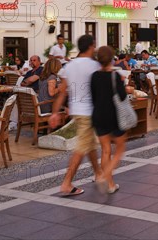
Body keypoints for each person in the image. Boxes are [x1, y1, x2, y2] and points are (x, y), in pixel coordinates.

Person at [50, 34, 103, 197]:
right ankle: (66, 183)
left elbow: (62, 92)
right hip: (88, 110)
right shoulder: (94, 65)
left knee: (90, 144)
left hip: (76, 110)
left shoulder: (69, 66)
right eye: (94, 46)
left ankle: (99, 174)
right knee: (82, 147)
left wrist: (55, 112)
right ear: (90, 46)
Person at [91, 46, 135, 194]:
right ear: (111, 59)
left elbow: (93, 97)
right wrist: (125, 86)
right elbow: (122, 97)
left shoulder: (94, 76)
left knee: (105, 150)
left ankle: (110, 185)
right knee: (120, 148)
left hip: (98, 115)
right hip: (113, 116)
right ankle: (104, 177)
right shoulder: (115, 76)